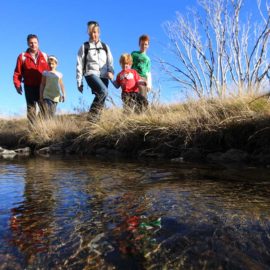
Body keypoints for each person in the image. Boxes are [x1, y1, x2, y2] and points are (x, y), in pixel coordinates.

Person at [76, 21, 114, 121]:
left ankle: (95, 124)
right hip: (90, 74)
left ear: (99, 32)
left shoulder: (105, 47)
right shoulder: (85, 46)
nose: (94, 34)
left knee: (102, 97)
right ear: (89, 33)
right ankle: (91, 118)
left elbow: (110, 62)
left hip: (104, 75)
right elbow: (79, 64)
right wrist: (79, 82)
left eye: (96, 32)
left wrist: (111, 72)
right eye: (92, 32)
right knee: (104, 91)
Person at [13, 34, 49, 122]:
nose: (33, 45)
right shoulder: (22, 56)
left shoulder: (44, 56)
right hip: (29, 86)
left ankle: (43, 128)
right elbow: (17, 72)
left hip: (42, 87)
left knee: (44, 108)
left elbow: (49, 72)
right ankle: (32, 130)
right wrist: (17, 85)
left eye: (35, 43)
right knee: (31, 109)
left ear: (38, 43)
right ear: (28, 44)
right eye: (31, 43)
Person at [131, 34, 152, 100]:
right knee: (131, 96)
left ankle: (142, 110)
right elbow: (129, 63)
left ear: (148, 45)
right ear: (139, 44)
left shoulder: (147, 59)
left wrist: (149, 84)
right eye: (142, 44)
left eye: (145, 44)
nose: (143, 46)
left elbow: (148, 72)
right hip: (133, 77)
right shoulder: (134, 54)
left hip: (143, 78)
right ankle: (129, 110)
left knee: (143, 97)